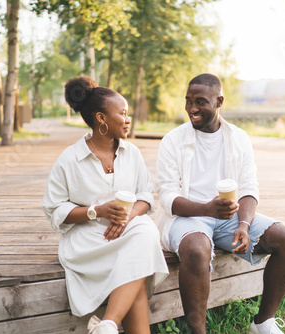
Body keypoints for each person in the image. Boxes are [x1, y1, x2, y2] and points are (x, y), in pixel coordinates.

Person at [154, 73, 285, 334]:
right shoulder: (173, 140)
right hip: (186, 217)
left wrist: (243, 224)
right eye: (188, 101)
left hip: (229, 217)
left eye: (201, 102)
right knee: (197, 249)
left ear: (219, 101)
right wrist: (206, 209)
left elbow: (249, 189)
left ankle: (263, 322)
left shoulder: (238, 138)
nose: (192, 108)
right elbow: (167, 197)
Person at [43, 76, 168, 334]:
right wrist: (95, 211)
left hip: (127, 232)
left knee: (146, 232)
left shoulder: (131, 153)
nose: (128, 118)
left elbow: (146, 196)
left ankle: (108, 324)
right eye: (122, 113)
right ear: (101, 118)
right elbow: (55, 210)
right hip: (88, 239)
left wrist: (128, 216)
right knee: (138, 265)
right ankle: (107, 326)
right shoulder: (70, 159)